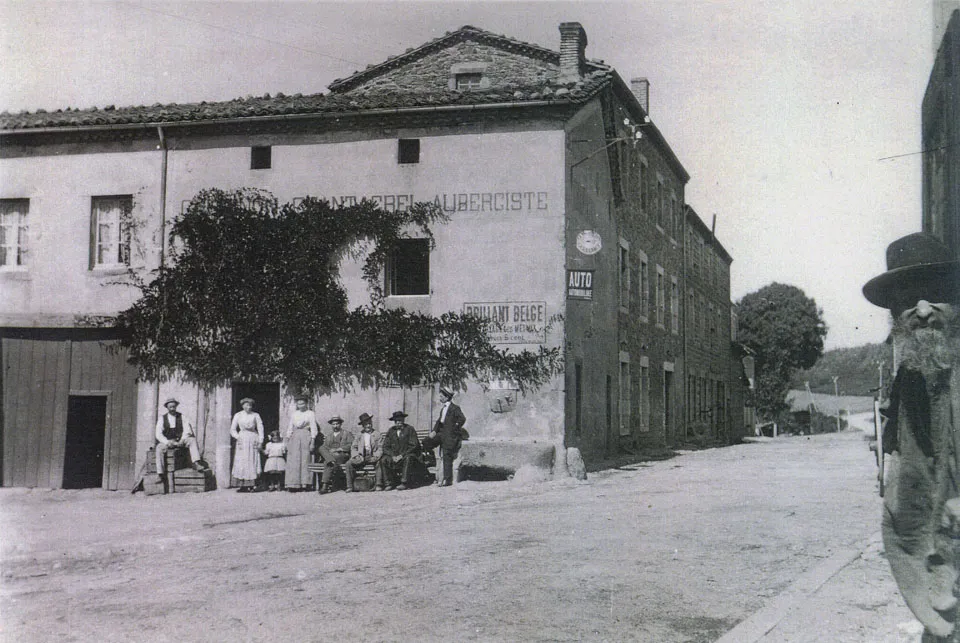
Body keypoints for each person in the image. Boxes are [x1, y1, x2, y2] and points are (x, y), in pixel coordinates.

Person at [863, 232, 960, 640]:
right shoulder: (911, 378)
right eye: (908, 301)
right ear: (894, 314)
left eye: (934, 295)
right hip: (941, 567)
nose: (922, 310)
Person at [154, 398, 207, 483]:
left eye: (174, 407)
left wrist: (182, 440)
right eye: (170, 407)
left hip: (180, 440)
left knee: (192, 440)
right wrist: (167, 442)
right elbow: (158, 434)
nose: (172, 409)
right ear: (167, 408)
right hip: (169, 442)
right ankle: (160, 474)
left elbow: (187, 430)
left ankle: (196, 462)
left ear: (176, 407)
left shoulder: (182, 417)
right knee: (159, 448)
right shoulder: (162, 419)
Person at [421, 386, 467, 487]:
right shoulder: (443, 409)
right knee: (426, 442)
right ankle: (431, 460)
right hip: (441, 434)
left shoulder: (455, 408)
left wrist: (454, 429)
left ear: (447, 397)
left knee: (447, 455)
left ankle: (447, 479)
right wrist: (434, 431)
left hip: (450, 436)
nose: (440, 397)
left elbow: (462, 419)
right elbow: (439, 421)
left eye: (442, 396)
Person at [379, 411, 422, 491]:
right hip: (395, 456)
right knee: (384, 460)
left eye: (400, 420)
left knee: (409, 458)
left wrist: (401, 455)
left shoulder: (409, 429)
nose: (399, 423)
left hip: (408, 455)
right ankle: (388, 483)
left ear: (403, 420)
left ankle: (404, 482)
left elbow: (414, 445)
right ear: (394, 422)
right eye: (396, 421)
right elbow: (385, 447)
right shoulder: (391, 431)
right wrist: (392, 456)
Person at [230, 397, 265, 492]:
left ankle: (252, 485)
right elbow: (232, 429)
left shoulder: (256, 415)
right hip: (242, 438)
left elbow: (260, 428)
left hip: (253, 437)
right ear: (242, 406)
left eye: (250, 405)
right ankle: (242, 485)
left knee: (252, 459)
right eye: (246, 405)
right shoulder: (238, 415)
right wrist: (238, 437)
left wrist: (261, 441)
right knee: (241, 460)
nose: (248, 407)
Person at [285, 395, 319, 492]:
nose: (300, 405)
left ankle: (306, 484)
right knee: (294, 460)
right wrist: (287, 439)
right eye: (299, 403)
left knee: (305, 459)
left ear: (306, 404)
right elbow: (290, 427)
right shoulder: (294, 414)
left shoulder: (310, 413)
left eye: (302, 403)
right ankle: (294, 484)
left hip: (306, 436)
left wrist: (312, 441)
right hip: (295, 437)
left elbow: (313, 427)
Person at [317, 415, 355, 493]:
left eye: (337, 424)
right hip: (332, 456)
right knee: (321, 448)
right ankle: (331, 461)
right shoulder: (329, 436)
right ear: (331, 425)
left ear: (340, 424)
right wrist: (330, 451)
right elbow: (325, 447)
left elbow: (352, 444)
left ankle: (325, 485)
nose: (335, 426)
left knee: (328, 461)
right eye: (333, 424)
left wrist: (340, 449)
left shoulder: (346, 433)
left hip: (342, 455)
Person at [350, 413, 384, 491]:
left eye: (369, 423)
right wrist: (356, 456)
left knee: (379, 462)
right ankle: (350, 486)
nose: (368, 426)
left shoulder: (377, 435)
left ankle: (378, 484)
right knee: (349, 464)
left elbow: (380, 448)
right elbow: (353, 447)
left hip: (372, 456)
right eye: (366, 424)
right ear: (363, 425)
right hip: (361, 457)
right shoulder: (359, 435)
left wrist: (376, 456)